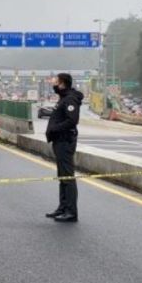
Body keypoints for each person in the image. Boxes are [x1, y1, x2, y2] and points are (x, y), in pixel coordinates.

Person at [45, 73, 84, 222]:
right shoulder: (63, 98)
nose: (54, 85)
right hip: (59, 141)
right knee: (62, 176)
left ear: (62, 83)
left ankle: (71, 211)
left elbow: (72, 120)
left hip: (65, 141)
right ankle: (63, 207)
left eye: (56, 82)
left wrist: (55, 129)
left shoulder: (70, 99)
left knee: (68, 177)